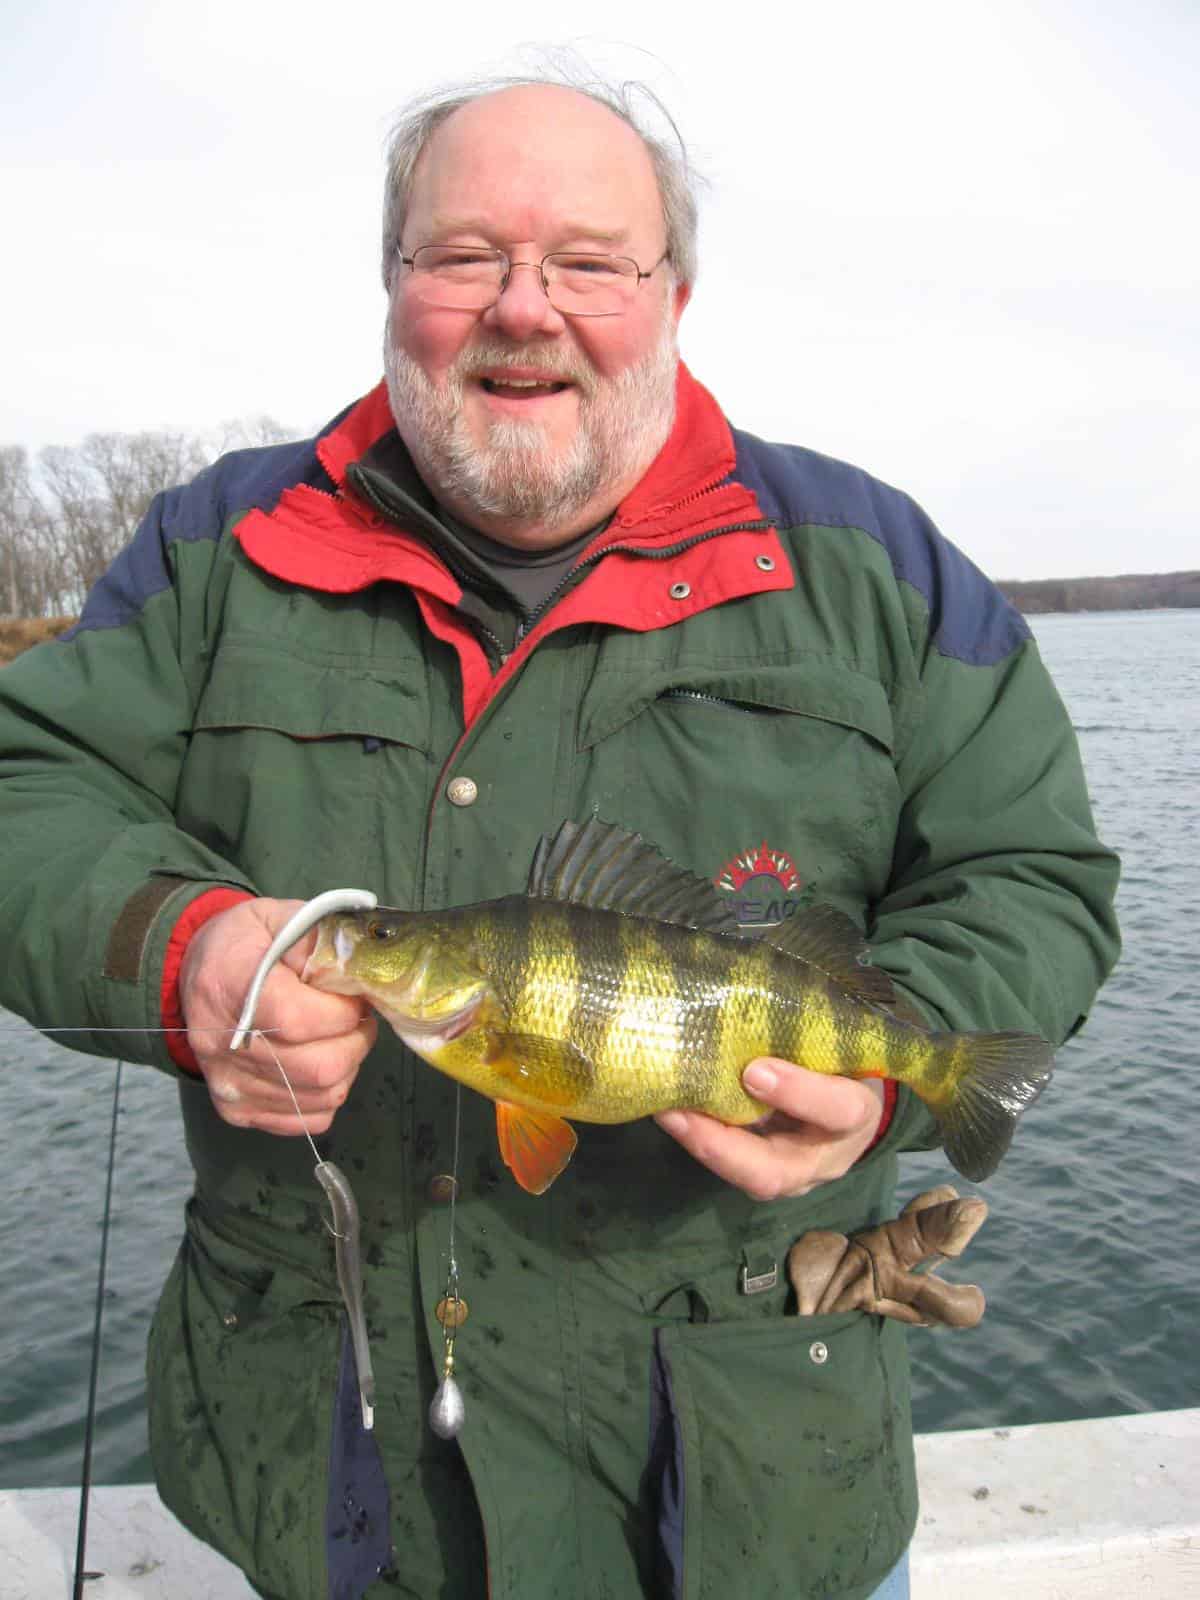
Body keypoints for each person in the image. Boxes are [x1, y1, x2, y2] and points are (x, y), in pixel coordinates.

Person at [0, 74, 1119, 1600]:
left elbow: (1033, 876)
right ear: (393, 281)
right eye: (464, 254)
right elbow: (25, 788)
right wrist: (179, 953)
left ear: (674, 297)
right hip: (331, 1487)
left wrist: (882, 1085)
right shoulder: (219, 554)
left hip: (756, 1492)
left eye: (588, 262)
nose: (523, 308)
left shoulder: (883, 574)